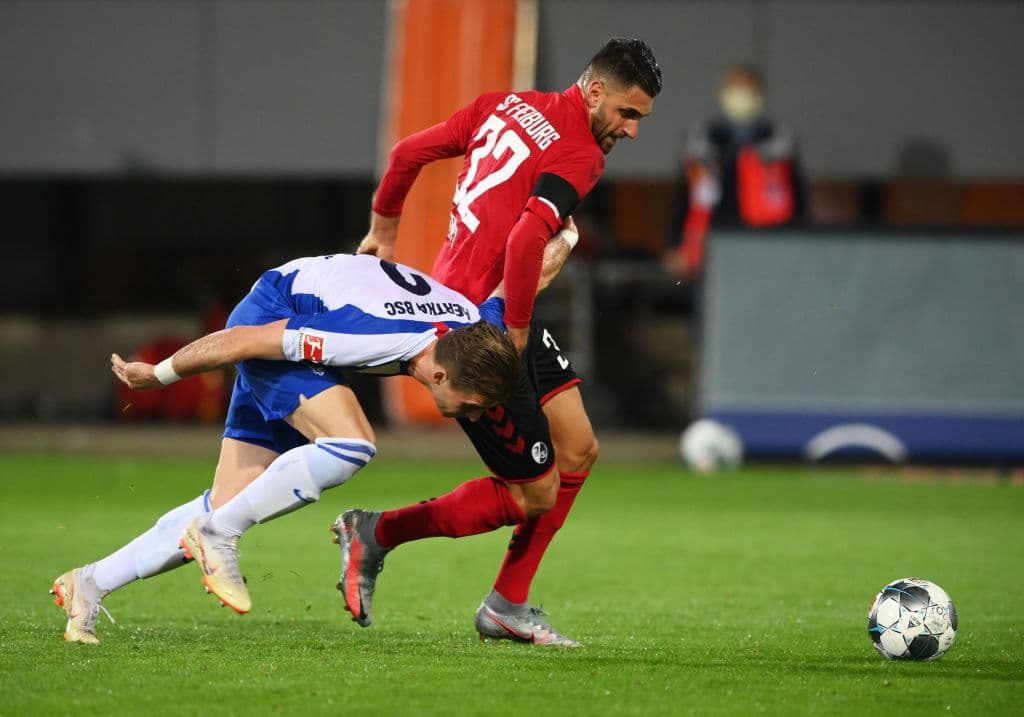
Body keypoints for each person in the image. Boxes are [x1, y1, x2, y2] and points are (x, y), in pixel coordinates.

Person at [344, 38, 662, 646]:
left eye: (640, 117)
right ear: (595, 90)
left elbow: (407, 152)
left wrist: (384, 227)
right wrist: (512, 334)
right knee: (536, 493)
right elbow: (524, 240)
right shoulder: (579, 152)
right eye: (627, 113)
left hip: (485, 304)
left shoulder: (504, 104)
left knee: (579, 449)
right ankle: (377, 534)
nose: (631, 129)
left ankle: (506, 605)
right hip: (477, 330)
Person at [50, 252, 524, 644]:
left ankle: (88, 583)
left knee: (227, 499)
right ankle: (219, 534)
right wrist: (158, 374)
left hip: (308, 303)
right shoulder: (362, 337)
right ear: (440, 375)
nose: (475, 417)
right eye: (472, 405)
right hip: (272, 313)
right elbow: (242, 340)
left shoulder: (478, 328)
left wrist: (554, 224)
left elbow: (519, 278)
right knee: (352, 443)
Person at [666, 63, 805, 281]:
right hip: (709, 248)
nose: (741, 95)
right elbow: (685, 198)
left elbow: (797, 199)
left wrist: (802, 245)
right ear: (722, 92)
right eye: (735, 88)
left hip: (767, 247)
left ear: (761, 94)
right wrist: (675, 245)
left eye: (748, 89)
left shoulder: (780, 142)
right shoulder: (701, 142)